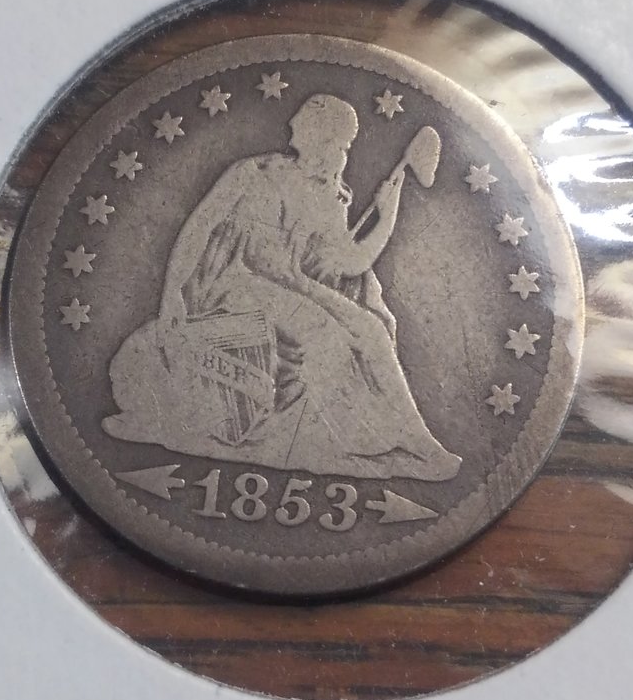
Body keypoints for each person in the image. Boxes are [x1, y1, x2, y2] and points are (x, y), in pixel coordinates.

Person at [103, 94, 460, 481]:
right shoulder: (254, 172)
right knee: (323, 333)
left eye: (343, 144)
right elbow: (199, 227)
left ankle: (419, 444)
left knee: (371, 329)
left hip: (292, 285)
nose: (291, 125)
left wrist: (387, 214)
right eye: (341, 142)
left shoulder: (329, 196)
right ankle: (343, 442)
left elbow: (350, 263)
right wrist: (171, 294)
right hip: (238, 283)